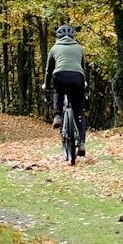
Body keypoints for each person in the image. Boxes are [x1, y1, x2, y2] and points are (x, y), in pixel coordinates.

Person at [44, 23, 86, 157]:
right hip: (77, 77)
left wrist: (45, 84)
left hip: (59, 75)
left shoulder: (54, 48)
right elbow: (83, 67)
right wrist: (84, 81)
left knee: (58, 92)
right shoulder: (79, 48)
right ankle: (82, 143)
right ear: (73, 36)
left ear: (58, 36)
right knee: (78, 111)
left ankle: (57, 116)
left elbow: (48, 70)